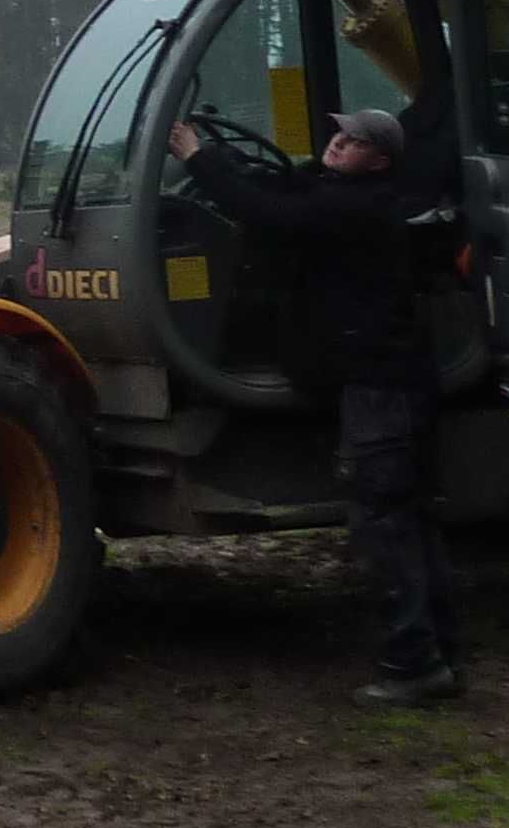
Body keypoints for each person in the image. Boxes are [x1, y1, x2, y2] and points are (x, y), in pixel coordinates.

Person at [165, 104, 465, 704]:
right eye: (338, 132)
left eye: (353, 140)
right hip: (387, 381)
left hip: (379, 386)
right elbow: (275, 187)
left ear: (378, 160)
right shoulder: (336, 191)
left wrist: (198, 156)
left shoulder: (354, 207)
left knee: (384, 522)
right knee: (408, 520)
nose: (337, 142)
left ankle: (414, 663)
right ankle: (438, 654)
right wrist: (221, 158)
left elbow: (265, 213)